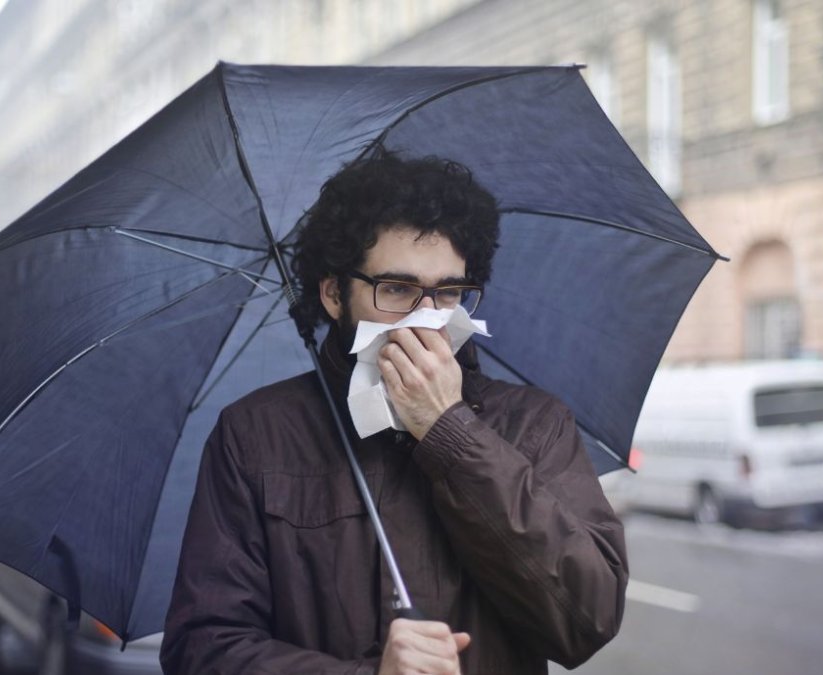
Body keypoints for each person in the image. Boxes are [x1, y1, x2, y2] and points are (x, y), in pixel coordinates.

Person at [161, 150, 628, 675]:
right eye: (398, 289)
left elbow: (588, 620)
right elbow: (201, 650)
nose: (427, 319)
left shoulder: (534, 424)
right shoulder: (254, 434)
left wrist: (451, 434)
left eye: (448, 292)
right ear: (336, 294)